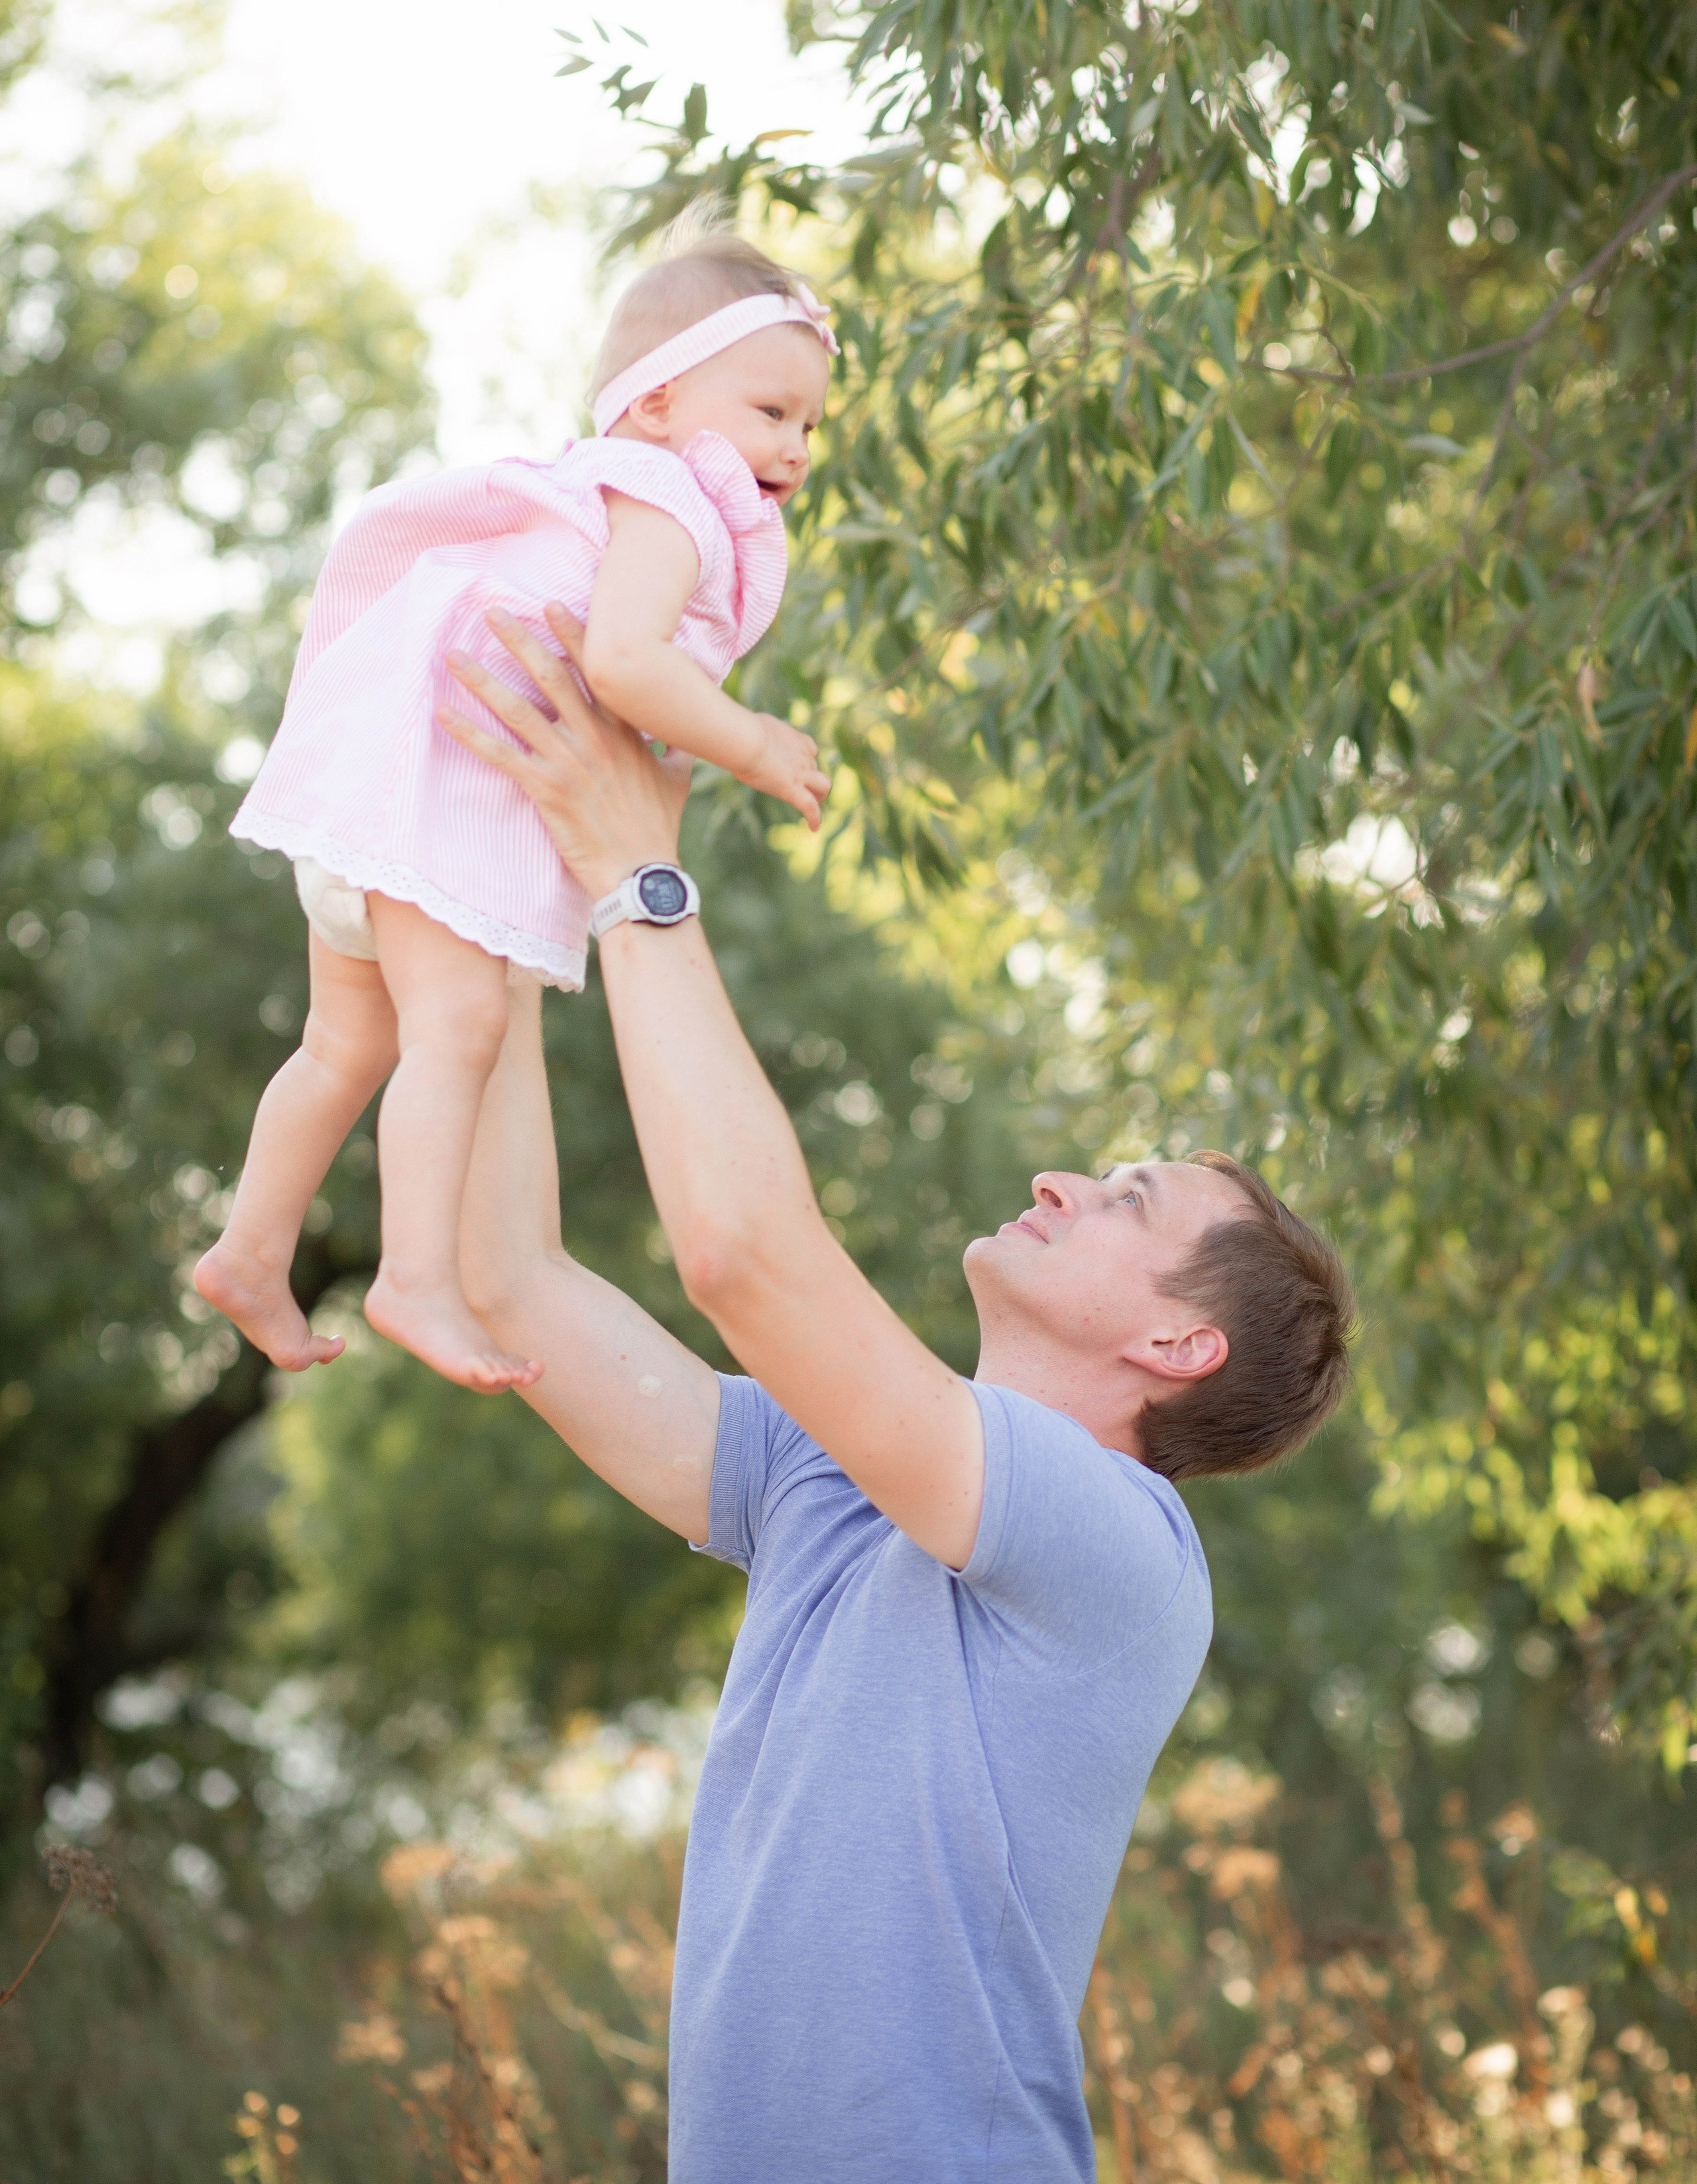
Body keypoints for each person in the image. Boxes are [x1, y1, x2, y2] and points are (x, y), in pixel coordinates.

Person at [439, 605, 1357, 2184]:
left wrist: (631, 877)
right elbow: (512, 1287)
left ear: (1175, 1348)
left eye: (1126, 1197)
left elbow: (740, 1254)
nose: (1063, 1179)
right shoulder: (820, 1476)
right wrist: (494, 919)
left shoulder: (1117, 1544)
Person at [196, 227, 833, 1395]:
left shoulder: (616, 493)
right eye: (770, 412)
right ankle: (416, 1277)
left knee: (344, 1045)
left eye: (807, 427)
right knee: (460, 1033)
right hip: (439, 811)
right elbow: (629, 664)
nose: (793, 446)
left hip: (381, 801)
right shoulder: (667, 498)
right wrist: (753, 742)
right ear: (652, 405)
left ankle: (249, 1247)